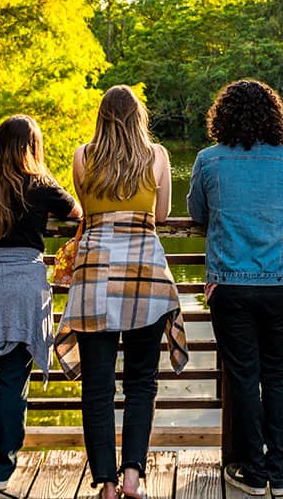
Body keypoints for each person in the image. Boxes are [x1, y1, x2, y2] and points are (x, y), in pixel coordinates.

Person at [54, 85, 188, 499]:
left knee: (97, 385)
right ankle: (133, 477)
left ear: (102, 116)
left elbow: (89, 210)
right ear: (138, 117)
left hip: (95, 275)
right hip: (146, 275)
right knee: (141, 382)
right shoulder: (157, 156)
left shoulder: (82, 156)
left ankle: (107, 484)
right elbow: (161, 214)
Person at [0, 115, 82, 491]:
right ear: (33, 147)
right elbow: (76, 213)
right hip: (24, 289)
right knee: (13, 379)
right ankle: (1, 471)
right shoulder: (41, 185)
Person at [187, 80, 283, 497]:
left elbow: (197, 212)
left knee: (242, 376)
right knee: (278, 376)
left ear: (223, 117)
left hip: (229, 286)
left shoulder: (208, 160)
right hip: (277, 284)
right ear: (275, 117)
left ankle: (253, 472)